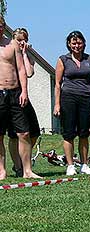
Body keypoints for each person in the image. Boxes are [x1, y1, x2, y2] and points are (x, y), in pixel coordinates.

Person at [54, 31, 90, 176]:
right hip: (68, 98)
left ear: (83, 43)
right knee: (68, 134)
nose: (76, 45)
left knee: (84, 133)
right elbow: (57, 83)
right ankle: (70, 165)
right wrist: (57, 104)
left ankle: (84, 164)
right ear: (69, 44)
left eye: (79, 42)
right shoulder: (63, 59)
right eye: (73, 43)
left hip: (86, 98)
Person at [0, 17, 41, 180]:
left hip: (15, 92)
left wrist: (24, 91)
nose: (0, 28)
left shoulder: (12, 44)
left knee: (24, 133)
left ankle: (27, 170)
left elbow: (22, 69)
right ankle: (2, 170)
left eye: (1, 25)